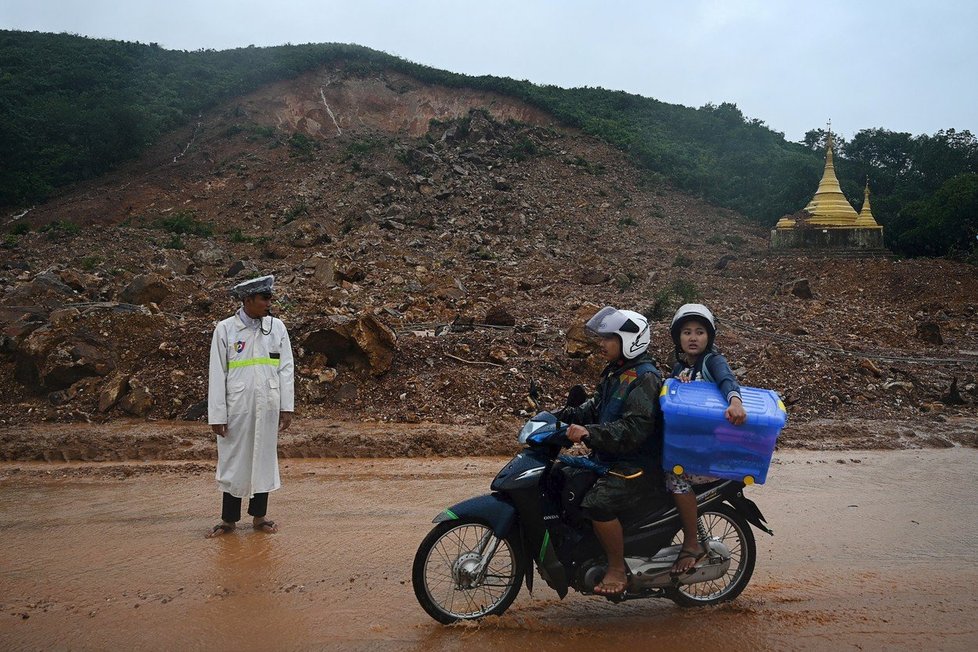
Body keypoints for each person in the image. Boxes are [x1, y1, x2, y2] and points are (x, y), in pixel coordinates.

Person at [563, 306, 663, 596]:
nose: (602, 344)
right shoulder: (616, 373)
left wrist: (589, 433)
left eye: (610, 338)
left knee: (598, 502)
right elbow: (593, 408)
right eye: (603, 337)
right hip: (611, 458)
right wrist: (559, 417)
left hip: (636, 466)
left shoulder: (645, 378)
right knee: (564, 478)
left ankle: (617, 569)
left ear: (630, 340)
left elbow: (633, 430)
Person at [206, 275, 295, 538]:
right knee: (234, 461)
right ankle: (228, 521)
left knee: (264, 459)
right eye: (264, 298)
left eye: (269, 298)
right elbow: (217, 373)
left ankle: (260, 517)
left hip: (267, 405)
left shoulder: (276, 328)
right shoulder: (225, 329)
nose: (269, 303)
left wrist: (286, 406)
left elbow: (286, 368)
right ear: (248, 300)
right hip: (238, 408)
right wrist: (217, 414)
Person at [667, 303, 746, 574]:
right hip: (689, 444)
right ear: (678, 337)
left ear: (709, 337)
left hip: (710, 449)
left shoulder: (712, 361)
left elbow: (727, 381)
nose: (693, 337)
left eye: (700, 332)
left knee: (675, 478)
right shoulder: (679, 367)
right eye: (687, 332)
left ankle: (691, 542)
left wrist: (735, 401)